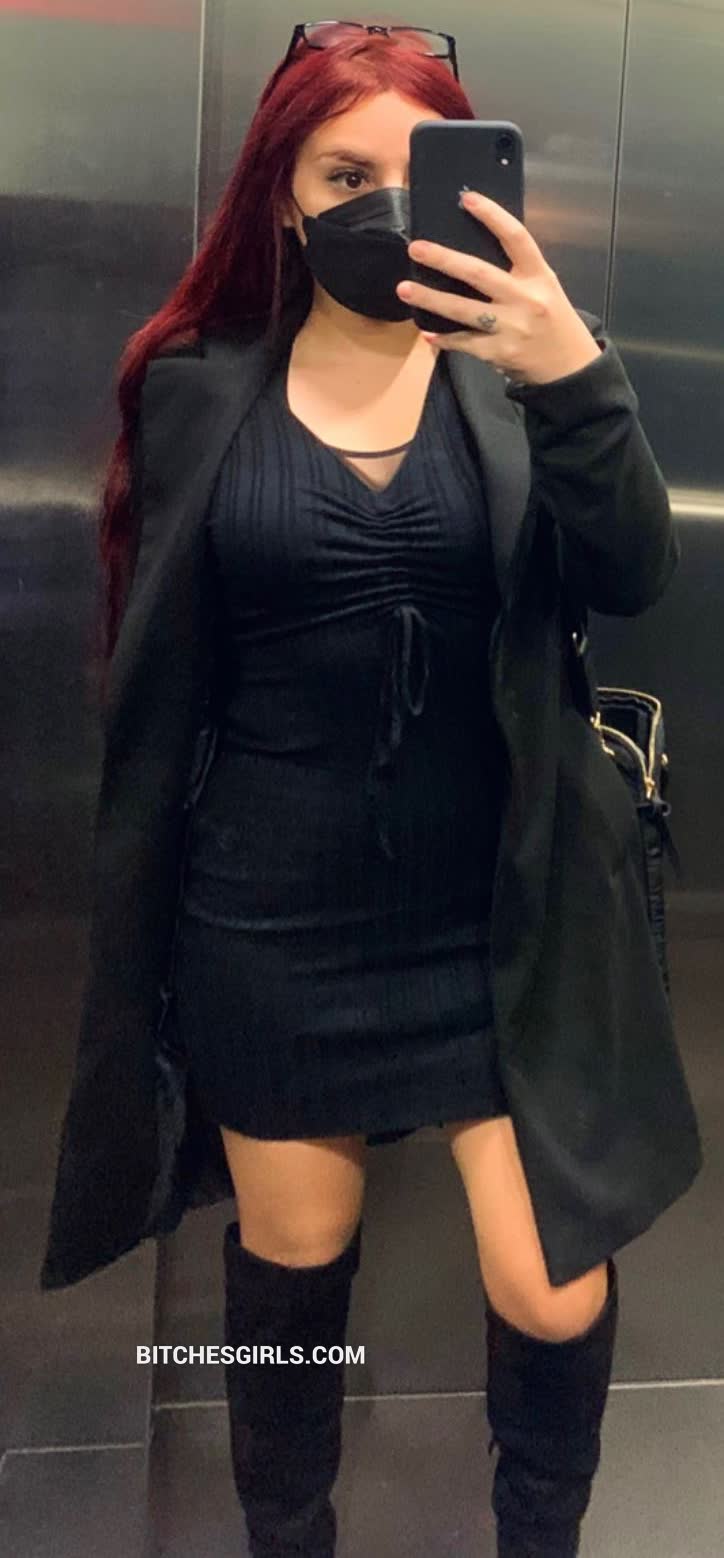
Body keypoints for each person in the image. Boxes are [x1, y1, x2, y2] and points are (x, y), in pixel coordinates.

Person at [40, 20, 702, 1558]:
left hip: (502, 919)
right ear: (283, 191)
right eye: (347, 174)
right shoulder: (198, 388)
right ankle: (292, 1535)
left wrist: (574, 373)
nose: (386, 209)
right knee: (296, 1270)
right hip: (271, 923)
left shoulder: (526, 370)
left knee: (554, 1281)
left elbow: (635, 572)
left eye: (421, 173)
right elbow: (160, 682)